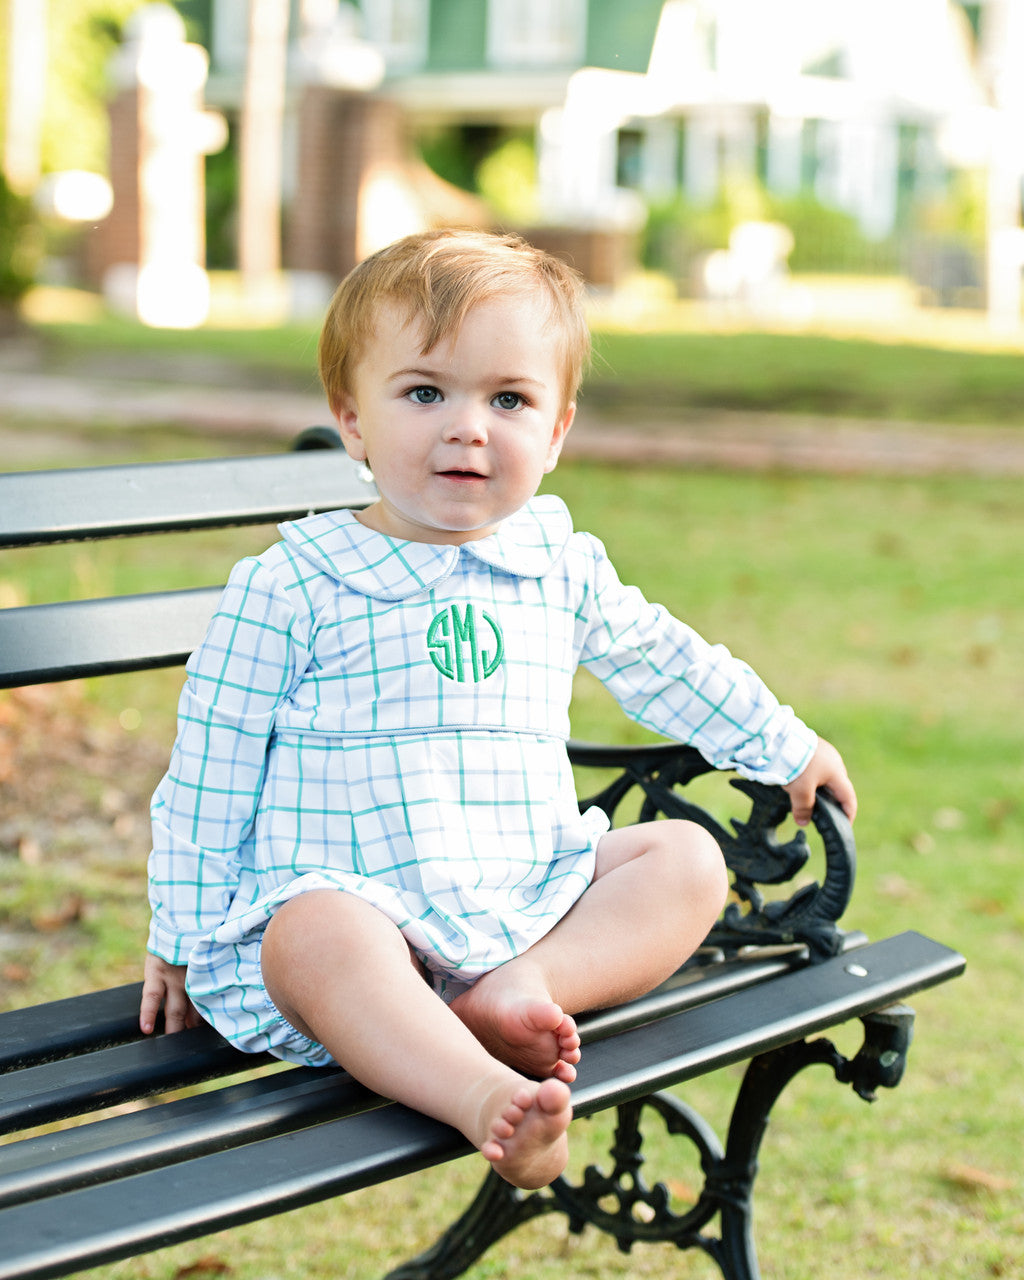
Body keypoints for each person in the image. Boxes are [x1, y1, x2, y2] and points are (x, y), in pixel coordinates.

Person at [140, 228, 856, 1191]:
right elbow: (211, 764)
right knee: (311, 932)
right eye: (425, 393)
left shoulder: (557, 564)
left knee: (686, 858)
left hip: (523, 901)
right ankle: (483, 1095)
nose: (467, 426)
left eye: (509, 399)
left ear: (556, 433)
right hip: (368, 917)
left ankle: (522, 992)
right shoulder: (297, 585)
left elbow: (661, 661)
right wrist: (182, 935)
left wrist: (782, 742)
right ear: (353, 421)